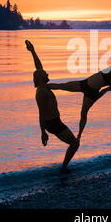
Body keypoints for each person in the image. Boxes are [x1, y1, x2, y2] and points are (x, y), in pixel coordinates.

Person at [47, 33, 111, 141]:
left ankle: (79, 135)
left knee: (83, 112)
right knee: (62, 86)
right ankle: (43, 86)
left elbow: (104, 91)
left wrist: (94, 98)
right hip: (84, 83)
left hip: (92, 92)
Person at [25, 39, 80, 173]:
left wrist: (33, 51)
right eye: (45, 74)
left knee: (74, 143)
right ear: (41, 78)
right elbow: (41, 114)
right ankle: (63, 168)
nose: (47, 73)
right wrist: (43, 132)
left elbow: (39, 67)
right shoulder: (41, 93)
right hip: (53, 123)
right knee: (75, 143)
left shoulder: (45, 86)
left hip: (56, 121)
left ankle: (64, 166)